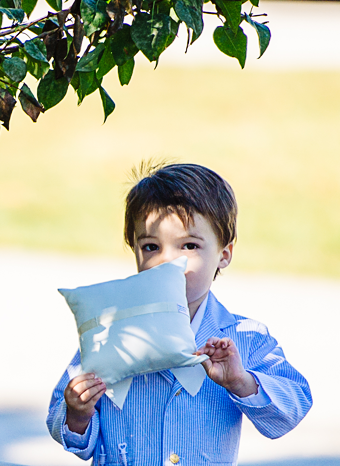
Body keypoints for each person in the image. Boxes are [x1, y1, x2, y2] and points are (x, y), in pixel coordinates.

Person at [46, 163, 312, 466]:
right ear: (133, 250)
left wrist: (242, 382)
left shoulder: (244, 337)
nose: (167, 262)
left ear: (223, 255)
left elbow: (292, 408)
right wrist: (77, 412)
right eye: (150, 247)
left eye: (188, 246)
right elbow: (70, 432)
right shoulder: (109, 332)